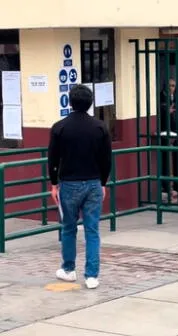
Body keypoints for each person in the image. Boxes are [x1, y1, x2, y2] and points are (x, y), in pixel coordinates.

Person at [48, 85, 112, 289]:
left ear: (70, 101)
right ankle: (92, 275)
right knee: (92, 230)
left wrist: (54, 183)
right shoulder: (100, 127)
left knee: (68, 228)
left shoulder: (60, 127)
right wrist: (103, 182)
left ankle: (68, 269)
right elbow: (106, 159)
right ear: (91, 102)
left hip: (69, 184)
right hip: (93, 182)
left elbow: (53, 158)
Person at [158, 78, 178, 202]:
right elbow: (158, 111)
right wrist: (166, 111)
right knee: (165, 158)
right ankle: (166, 186)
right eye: (170, 85)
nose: (172, 88)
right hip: (165, 131)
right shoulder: (160, 98)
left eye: (174, 86)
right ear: (165, 86)